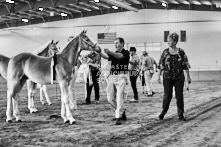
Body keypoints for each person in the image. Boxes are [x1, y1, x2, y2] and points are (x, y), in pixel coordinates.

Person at [157, 32, 191, 121]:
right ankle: (163, 112)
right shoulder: (165, 52)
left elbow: (186, 65)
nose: (168, 42)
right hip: (167, 77)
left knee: (179, 95)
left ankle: (181, 115)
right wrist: (158, 76)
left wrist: (188, 77)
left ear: (175, 42)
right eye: (168, 40)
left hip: (179, 77)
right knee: (167, 95)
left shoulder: (181, 52)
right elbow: (161, 65)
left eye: (170, 40)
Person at [99, 37, 130, 125]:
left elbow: (119, 56)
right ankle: (121, 112)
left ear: (122, 44)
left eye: (117, 43)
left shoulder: (125, 52)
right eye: (114, 43)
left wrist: (109, 52)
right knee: (110, 98)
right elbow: (106, 57)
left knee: (119, 96)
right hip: (112, 76)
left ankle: (118, 116)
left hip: (121, 77)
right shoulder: (114, 53)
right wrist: (99, 52)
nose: (115, 44)